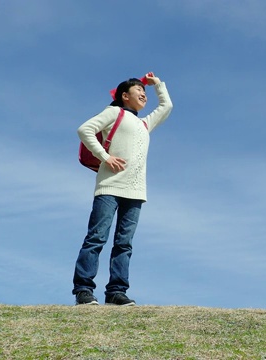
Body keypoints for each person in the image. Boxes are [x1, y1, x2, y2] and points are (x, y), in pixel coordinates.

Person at [72, 72, 173, 306]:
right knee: (96, 238)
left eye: (145, 92)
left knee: (124, 243)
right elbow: (84, 129)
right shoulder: (114, 112)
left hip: (136, 192)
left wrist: (157, 84)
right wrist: (105, 157)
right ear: (124, 96)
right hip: (109, 186)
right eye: (139, 90)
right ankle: (83, 290)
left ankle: (116, 292)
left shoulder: (144, 124)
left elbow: (166, 106)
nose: (143, 94)